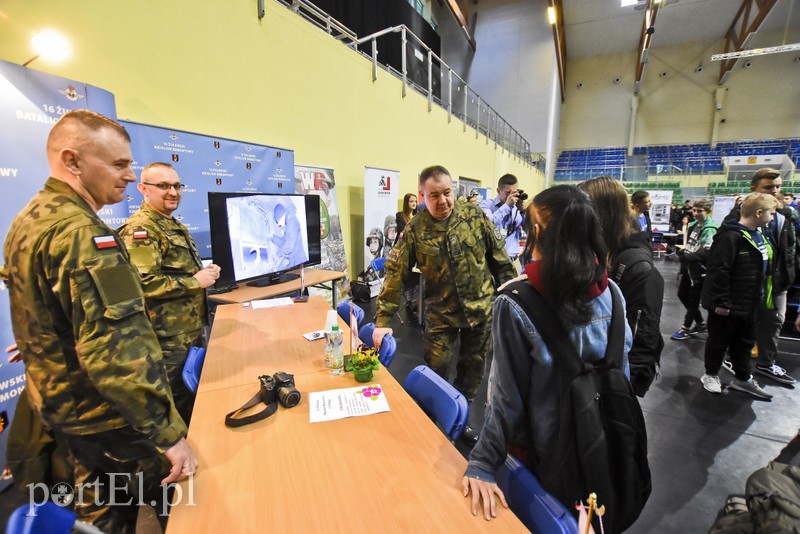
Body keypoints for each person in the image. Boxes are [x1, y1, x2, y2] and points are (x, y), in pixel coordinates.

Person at [2, 110, 196, 532]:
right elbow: (115, 351)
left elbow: (46, 311)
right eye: (119, 164)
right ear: (72, 161)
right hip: (105, 418)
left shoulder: (30, 220)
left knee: (94, 511)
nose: (130, 175)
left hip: (66, 411)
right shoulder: (82, 235)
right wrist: (167, 435)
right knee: (140, 512)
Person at [461, 185, 632, 520]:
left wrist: (482, 462)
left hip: (543, 463)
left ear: (536, 231)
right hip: (606, 449)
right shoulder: (613, 293)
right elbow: (621, 378)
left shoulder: (516, 303)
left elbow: (505, 400)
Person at [373, 165, 515, 444]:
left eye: (447, 193)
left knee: (473, 369)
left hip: (480, 310)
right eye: (434, 195)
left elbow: (499, 260)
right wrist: (382, 322)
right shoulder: (415, 229)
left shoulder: (474, 216)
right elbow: (395, 275)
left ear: (454, 191)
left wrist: (511, 301)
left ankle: (460, 420)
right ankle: (427, 423)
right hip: (440, 315)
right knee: (435, 371)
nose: (443, 201)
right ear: (422, 195)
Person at [118, 162, 220, 423]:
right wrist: (195, 282)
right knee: (177, 406)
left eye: (176, 186)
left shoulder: (169, 224)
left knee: (192, 402)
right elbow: (143, 285)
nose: (172, 192)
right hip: (166, 339)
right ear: (143, 189)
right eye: (163, 186)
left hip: (187, 332)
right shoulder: (141, 230)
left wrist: (204, 275)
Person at [580, 176, 665, 397]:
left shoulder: (638, 267)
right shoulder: (603, 249)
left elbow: (643, 338)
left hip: (613, 382)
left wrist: (621, 392)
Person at [701, 192, 782, 399]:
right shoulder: (729, 237)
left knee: (744, 342)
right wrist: (721, 301)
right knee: (719, 340)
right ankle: (710, 374)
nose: (773, 218)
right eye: (771, 213)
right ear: (758, 213)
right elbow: (719, 271)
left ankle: (742, 378)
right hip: (727, 304)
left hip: (750, 302)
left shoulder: (758, 235)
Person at [723, 168, 797, 385]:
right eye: (769, 187)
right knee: (741, 324)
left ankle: (766, 363)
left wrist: (787, 273)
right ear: (754, 189)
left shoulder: (785, 215)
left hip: (776, 281)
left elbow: (790, 247)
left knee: (774, 322)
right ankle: (734, 361)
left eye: (778, 186)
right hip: (747, 282)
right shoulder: (737, 216)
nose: (775, 191)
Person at [671, 199, 719, 340]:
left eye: (699, 211)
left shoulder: (710, 229)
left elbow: (706, 252)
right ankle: (700, 322)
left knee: (693, 299)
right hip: (689, 268)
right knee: (682, 295)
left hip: (700, 269)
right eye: (694, 210)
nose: (696, 213)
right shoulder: (693, 225)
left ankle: (686, 328)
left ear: (708, 211)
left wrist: (687, 255)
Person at [479, 174, 525, 267]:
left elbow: (528, 228)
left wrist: (523, 211)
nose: (512, 197)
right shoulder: (486, 205)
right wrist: (507, 206)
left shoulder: (517, 207)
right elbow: (488, 224)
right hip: (492, 262)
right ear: (498, 191)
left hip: (512, 260)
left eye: (514, 193)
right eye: (508, 193)